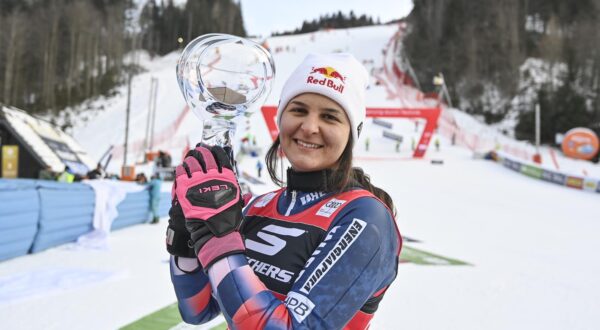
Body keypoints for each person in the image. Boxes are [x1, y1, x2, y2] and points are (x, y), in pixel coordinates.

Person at [166, 53, 402, 329]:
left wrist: (218, 237)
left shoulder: (366, 218)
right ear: (280, 119)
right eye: (299, 110)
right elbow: (198, 308)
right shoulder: (259, 206)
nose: (309, 127)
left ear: (352, 133)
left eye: (330, 117)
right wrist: (186, 233)